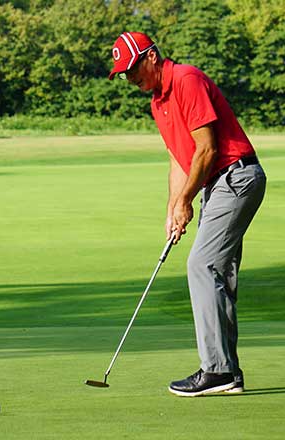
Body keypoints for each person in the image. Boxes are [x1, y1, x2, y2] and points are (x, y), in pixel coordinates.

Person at [108, 32, 267, 397]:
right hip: (220, 184)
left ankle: (216, 371)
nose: (130, 79)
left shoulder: (186, 80)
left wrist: (186, 201)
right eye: (124, 74)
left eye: (132, 69)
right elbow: (180, 158)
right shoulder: (157, 102)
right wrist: (172, 205)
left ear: (151, 57)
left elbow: (208, 149)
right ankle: (228, 372)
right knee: (219, 274)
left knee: (201, 265)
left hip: (237, 177)